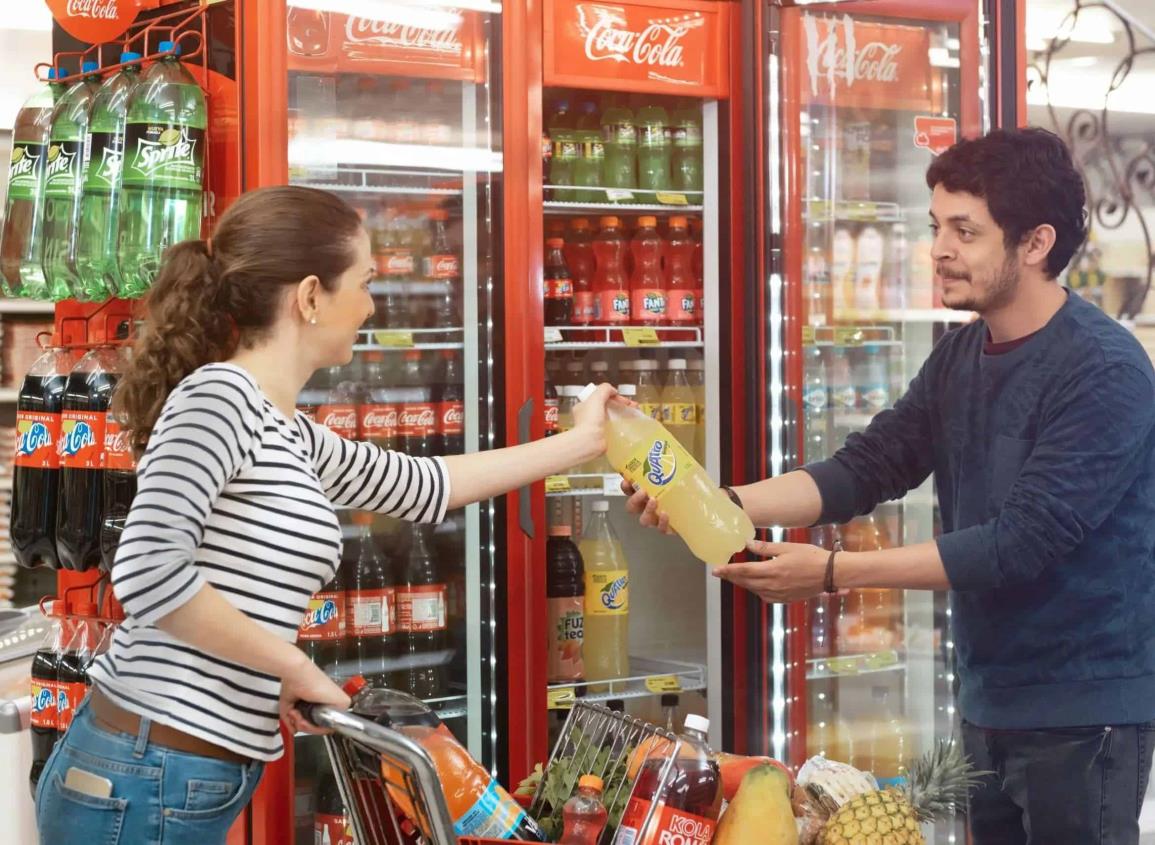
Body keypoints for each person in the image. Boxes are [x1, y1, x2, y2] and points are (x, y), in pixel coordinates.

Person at [34, 186, 616, 845]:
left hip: (172, 772)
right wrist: (294, 667)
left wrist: (580, 441)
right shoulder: (219, 398)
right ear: (310, 297)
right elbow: (148, 568)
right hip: (145, 772)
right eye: (365, 283)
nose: (372, 305)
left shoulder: (286, 429)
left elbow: (422, 484)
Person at [627, 128, 1155, 844]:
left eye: (963, 231)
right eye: (935, 226)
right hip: (987, 702)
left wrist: (833, 572)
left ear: (1034, 243)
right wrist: (714, 501)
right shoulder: (959, 355)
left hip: (1081, 711)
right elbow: (863, 468)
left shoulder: (1103, 370)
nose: (937, 248)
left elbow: (1018, 544)